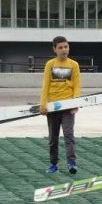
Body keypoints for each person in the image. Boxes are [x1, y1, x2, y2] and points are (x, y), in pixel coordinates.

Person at [39, 36, 81, 174]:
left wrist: (76, 104)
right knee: (53, 138)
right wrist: (43, 105)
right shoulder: (50, 64)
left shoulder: (74, 64)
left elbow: (76, 86)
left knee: (69, 135)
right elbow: (45, 85)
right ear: (55, 49)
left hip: (68, 107)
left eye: (66, 47)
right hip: (52, 107)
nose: (64, 50)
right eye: (61, 47)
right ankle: (53, 164)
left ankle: (71, 163)